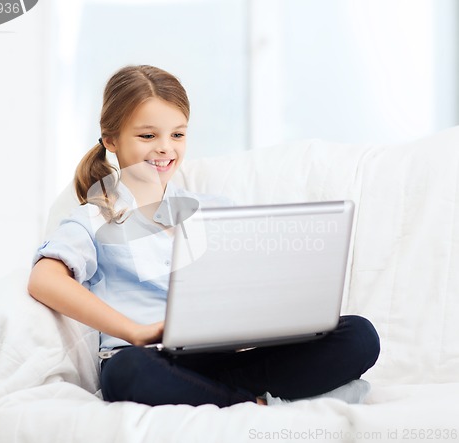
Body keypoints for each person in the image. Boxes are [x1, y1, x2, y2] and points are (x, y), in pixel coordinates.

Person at [28, 64, 380, 408]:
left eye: (177, 134)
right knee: (126, 373)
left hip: (227, 355)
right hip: (152, 359)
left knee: (360, 336)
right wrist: (134, 331)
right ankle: (254, 403)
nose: (166, 147)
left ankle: (216, 395)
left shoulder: (214, 209)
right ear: (111, 140)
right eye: (148, 135)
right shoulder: (94, 216)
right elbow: (44, 280)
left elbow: (248, 284)